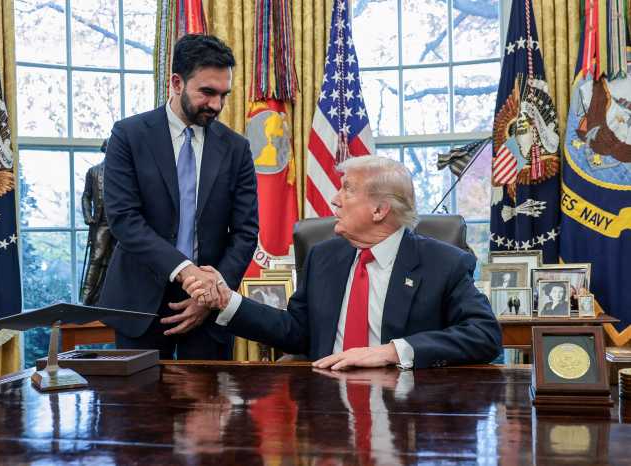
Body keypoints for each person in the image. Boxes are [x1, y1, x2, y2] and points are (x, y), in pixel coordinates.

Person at [183, 156, 502, 370]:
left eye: (347, 189)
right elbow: (296, 332)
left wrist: (393, 351)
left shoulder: (442, 263)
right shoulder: (324, 257)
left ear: (380, 210)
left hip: (405, 409)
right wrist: (228, 301)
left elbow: (485, 335)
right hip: (326, 404)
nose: (335, 199)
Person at [98, 34, 259, 360]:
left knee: (208, 407)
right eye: (207, 92)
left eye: (224, 95)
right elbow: (124, 220)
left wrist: (207, 294)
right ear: (176, 82)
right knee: (139, 410)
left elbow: (245, 233)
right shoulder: (128, 136)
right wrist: (187, 272)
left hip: (209, 309)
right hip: (138, 304)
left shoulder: (236, 148)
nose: (216, 105)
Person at [80, 138, 115, 305]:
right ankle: (86, 300)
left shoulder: (124, 172)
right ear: (105, 150)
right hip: (101, 222)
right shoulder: (93, 172)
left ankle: (113, 298)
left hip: (122, 225)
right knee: (97, 258)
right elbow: (86, 196)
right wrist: (88, 216)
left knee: (118, 260)